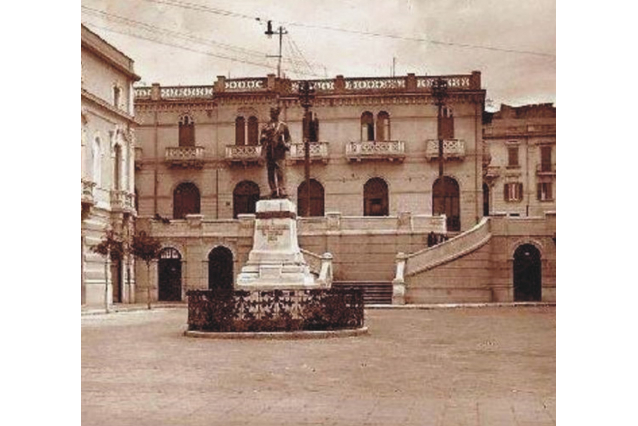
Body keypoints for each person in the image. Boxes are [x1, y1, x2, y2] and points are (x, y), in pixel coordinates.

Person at [260, 107, 291, 198]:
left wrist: (286, 144)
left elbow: (289, 138)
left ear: (277, 114)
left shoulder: (283, 126)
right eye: (272, 113)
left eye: (275, 113)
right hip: (269, 151)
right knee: (270, 172)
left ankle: (281, 189)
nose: (273, 114)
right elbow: (261, 139)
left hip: (279, 151)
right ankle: (273, 190)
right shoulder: (266, 126)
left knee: (280, 171)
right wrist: (264, 138)